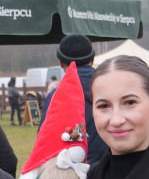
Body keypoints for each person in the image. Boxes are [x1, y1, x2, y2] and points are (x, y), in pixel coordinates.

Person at [40, 33, 108, 163]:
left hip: (72, 174)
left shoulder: (55, 96)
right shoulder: (110, 89)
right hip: (110, 168)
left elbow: (44, 139)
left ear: (61, 63)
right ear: (92, 60)